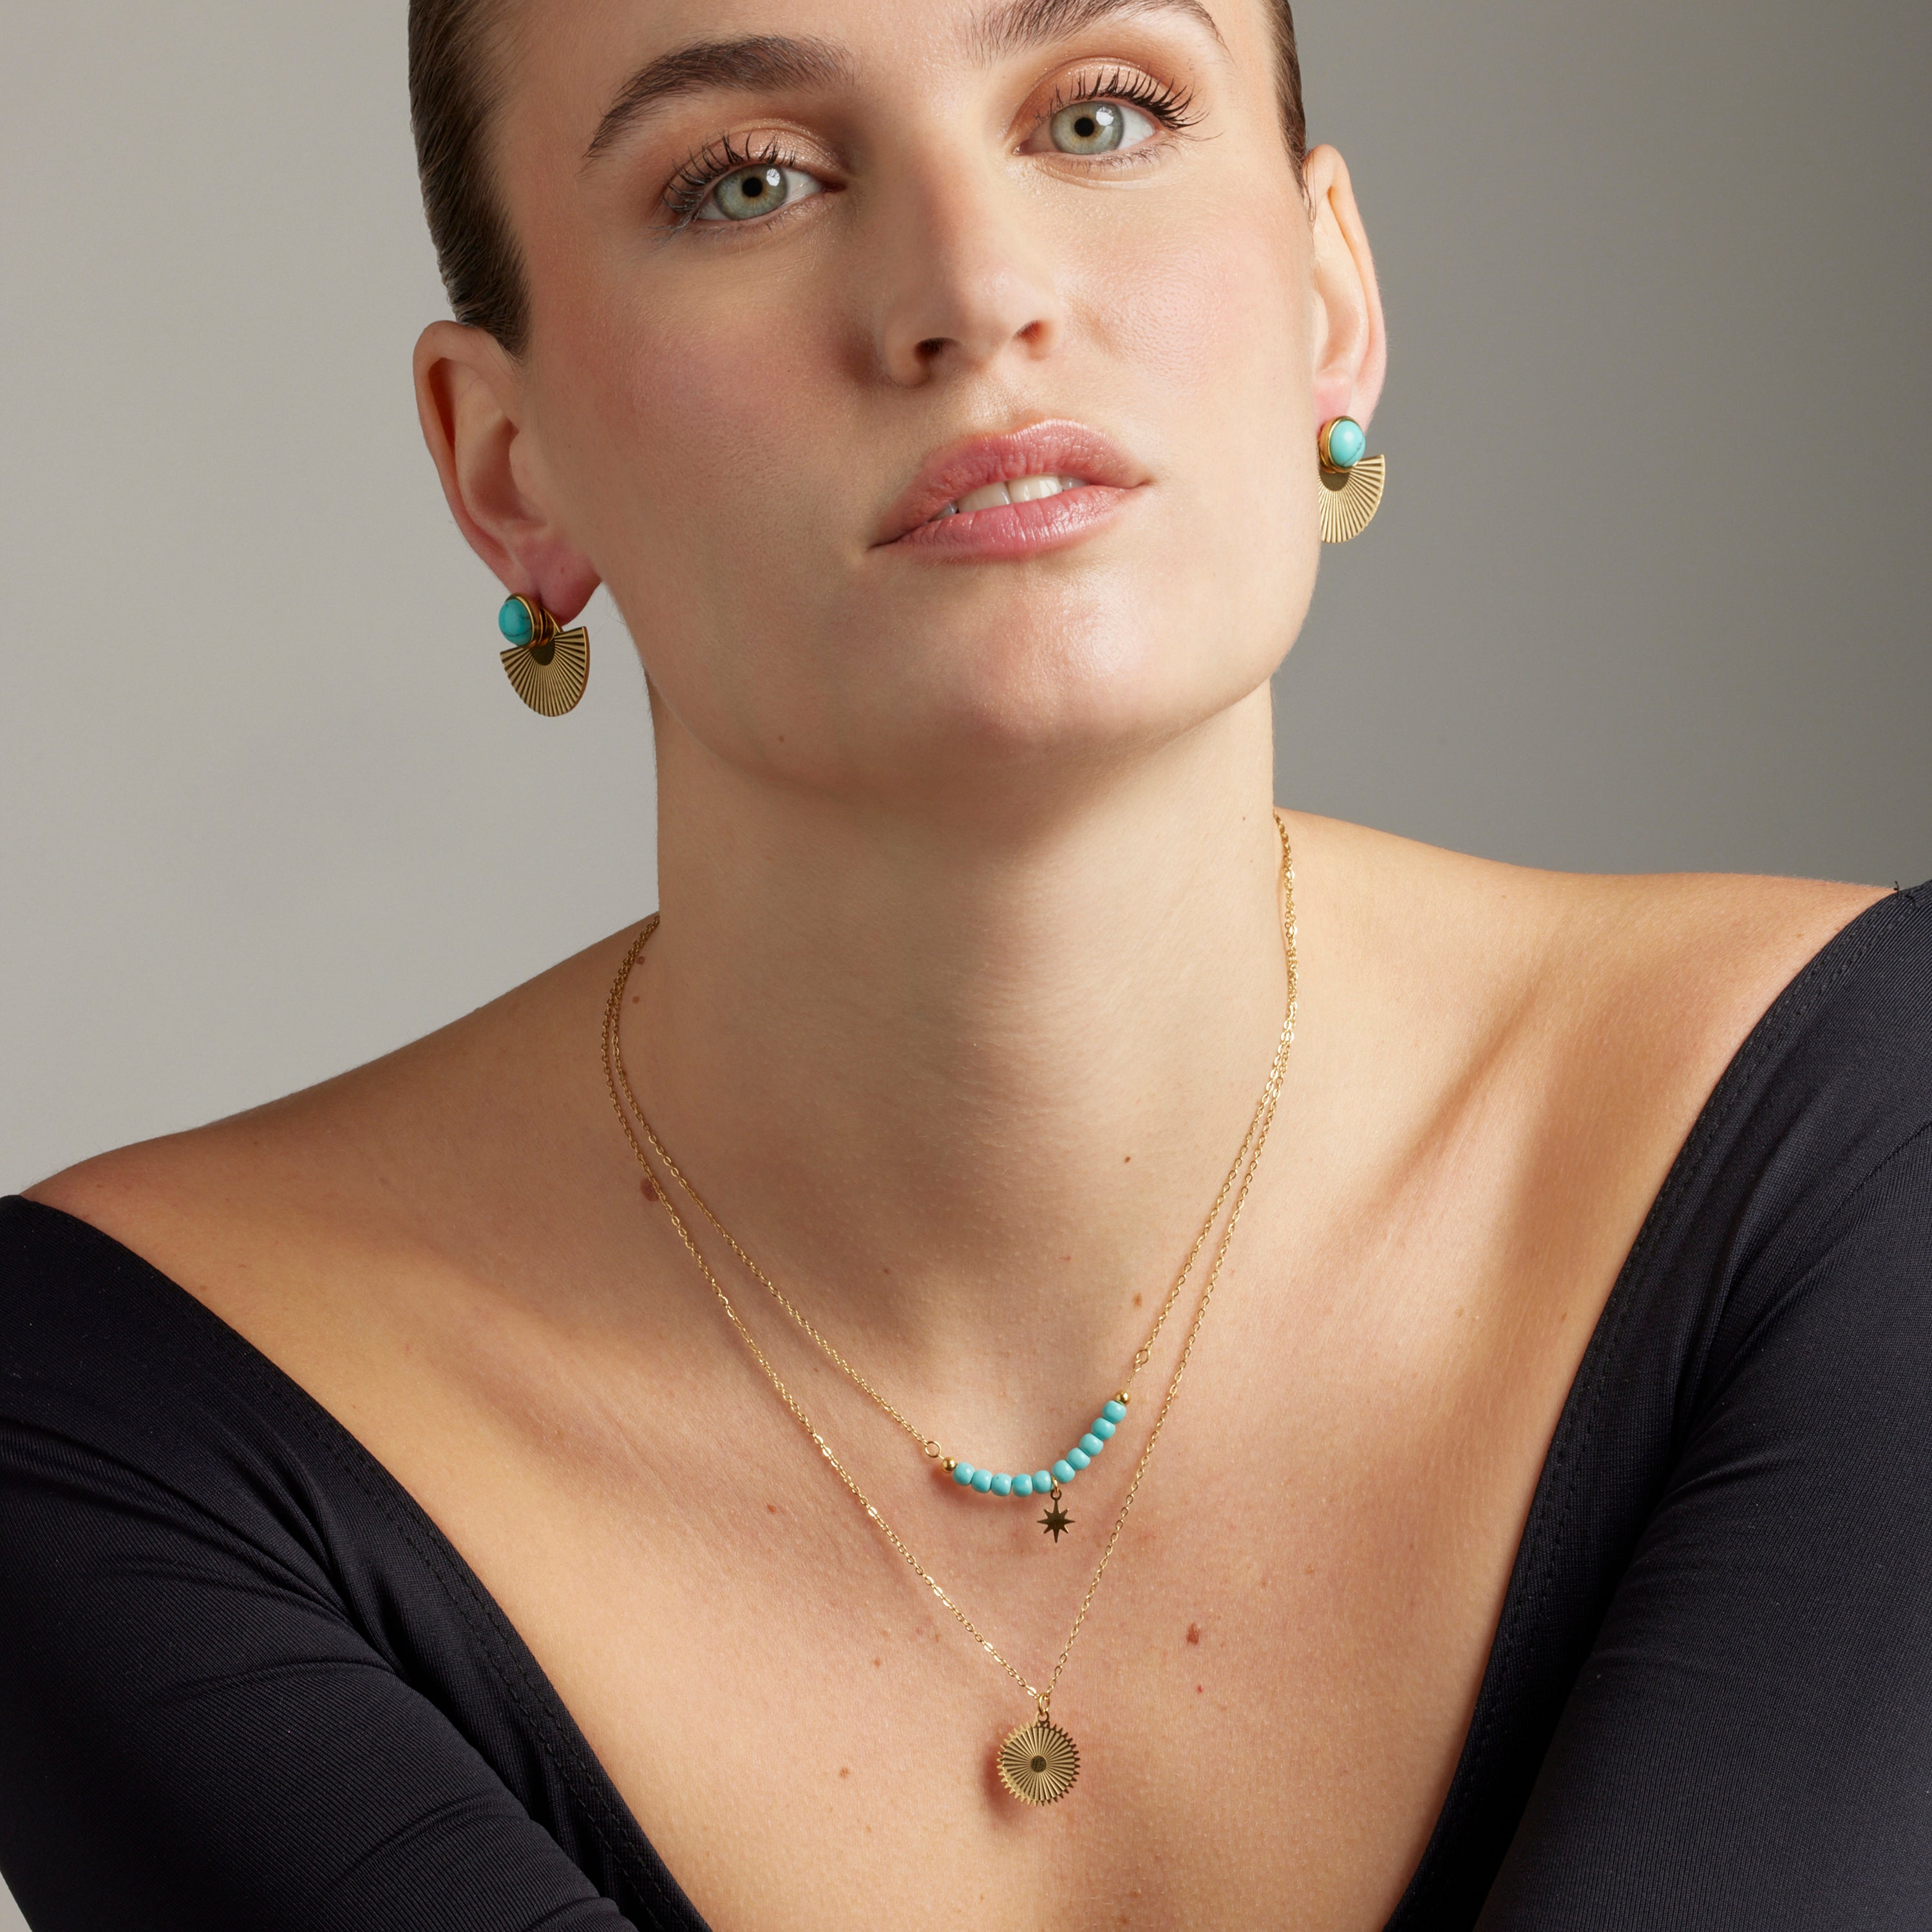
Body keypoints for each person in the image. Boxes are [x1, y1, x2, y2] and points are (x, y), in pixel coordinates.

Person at [3, 0, 1928, 1926]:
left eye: (1100, 116)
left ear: (1330, 292)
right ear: (507, 465)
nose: (976, 293)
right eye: (747, 183)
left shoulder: (1870, 1141)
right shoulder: (120, 1414)